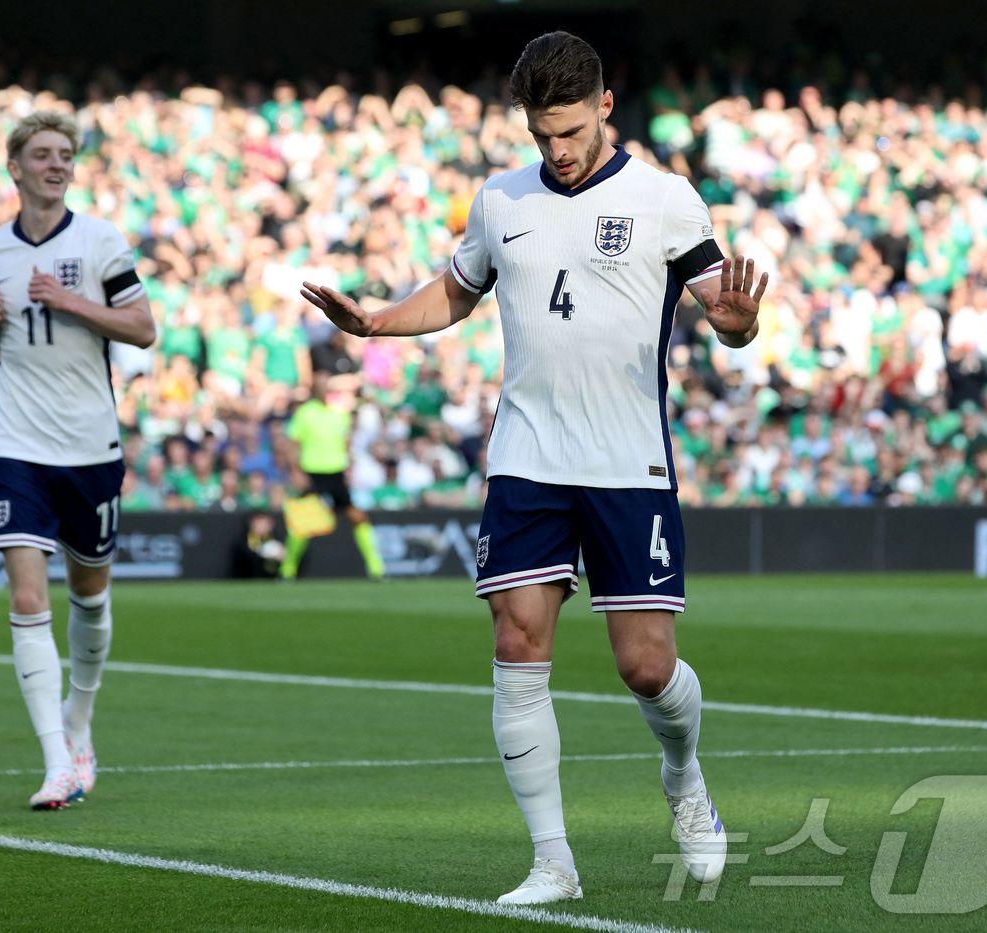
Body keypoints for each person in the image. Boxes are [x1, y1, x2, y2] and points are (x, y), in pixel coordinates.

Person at [300, 32, 768, 904]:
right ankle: (553, 859)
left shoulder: (664, 198)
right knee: (517, 642)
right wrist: (374, 323)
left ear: (603, 107)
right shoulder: (500, 199)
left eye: (568, 132)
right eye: (540, 134)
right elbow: (457, 290)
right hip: (526, 456)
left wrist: (737, 325)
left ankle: (686, 779)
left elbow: (722, 311)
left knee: (644, 666)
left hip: (628, 460)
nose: (555, 151)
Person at [0, 111, 157, 810]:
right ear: (14, 168)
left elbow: (143, 328)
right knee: (26, 598)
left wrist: (70, 300)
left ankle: (80, 719)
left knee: (89, 593)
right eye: (42, 155)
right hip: (15, 439)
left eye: (65, 155)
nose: (56, 164)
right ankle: (56, 761)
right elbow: (2, 335)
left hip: (88, 441)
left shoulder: (100, 239)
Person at [278, 374, 385, 581]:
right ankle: (287, 571)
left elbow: (345, 442)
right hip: (312, 473)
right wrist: (296, 471)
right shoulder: (305, 413)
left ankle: (376, 568)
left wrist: (348, 465)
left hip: (335, 473)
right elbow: (293, 444)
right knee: (302, 523)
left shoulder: (339, 413)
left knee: (358, 517)